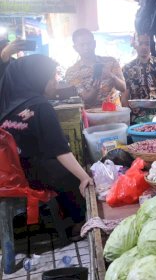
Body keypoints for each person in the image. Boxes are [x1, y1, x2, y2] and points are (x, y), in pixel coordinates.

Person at [0, 55, 93, 229]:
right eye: (51, 78)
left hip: (10, 173)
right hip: (30, 176)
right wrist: (84, 177)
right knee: (73, 176)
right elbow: (60, 150)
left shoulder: (8, 105)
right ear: (37, 79)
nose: (55, 83)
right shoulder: (41, 106)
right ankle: (78, 224)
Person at [122, 34, 156, 122]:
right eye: (140, 43)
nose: (143, 47)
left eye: (147, 44)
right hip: (136, 120)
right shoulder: (127, 69)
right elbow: (124, 98)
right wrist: (127, 120)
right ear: (135, 45)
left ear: (152, 45)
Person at [65, 29, 126, 108]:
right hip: (91, 116)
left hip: (114, 113)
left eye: (89, 43)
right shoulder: (72, 72)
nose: (86, 47)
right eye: (82, 45)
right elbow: (86, 99)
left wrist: (111, 75)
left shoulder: (111, 62)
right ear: (75, 48)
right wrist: (95, 88)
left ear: (94, 44)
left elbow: (123, 88)